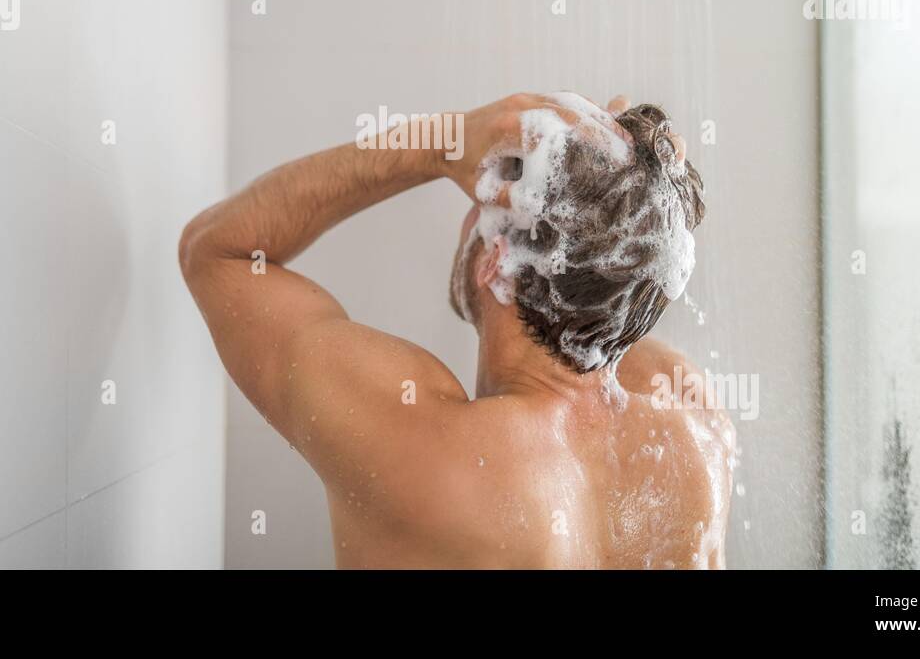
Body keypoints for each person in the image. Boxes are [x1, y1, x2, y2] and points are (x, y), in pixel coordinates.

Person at [179, 92, 732, 568]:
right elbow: (610, 289)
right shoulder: (690, 419)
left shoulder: (422, 441)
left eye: (476, 203)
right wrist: (629, 190)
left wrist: (440, 145)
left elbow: (217, 251)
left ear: (496, 262)